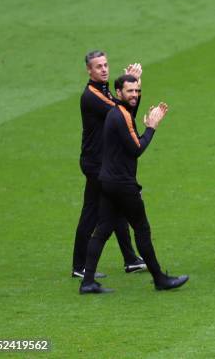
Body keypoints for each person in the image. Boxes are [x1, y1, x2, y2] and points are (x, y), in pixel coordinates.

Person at [79, 74, 188, 294]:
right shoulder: (121, 115)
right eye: (130, 91)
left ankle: (87, 281)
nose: (135, 95)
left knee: (102, 231)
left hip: (108, 181)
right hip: (122, 184)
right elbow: (137, 148)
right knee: (142, 229)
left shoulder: (115, 113)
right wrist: (152, 127)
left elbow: (128, 142)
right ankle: (159, 279)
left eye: (137, 91)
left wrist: (146, 126)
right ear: (118, 93)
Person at [72, 50, 146, 278]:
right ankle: (79, 266)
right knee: (94, 212)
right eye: (98, 66)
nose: (103, 69)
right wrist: (131, 87)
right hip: (96, 163)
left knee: (115, 209)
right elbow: (123, 113)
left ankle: (130, 259)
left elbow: (125, 112)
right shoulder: (92, 95)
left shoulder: (103, 90)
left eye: (105, 65)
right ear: (89, 70)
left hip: (103, 162)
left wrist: (131, 89)